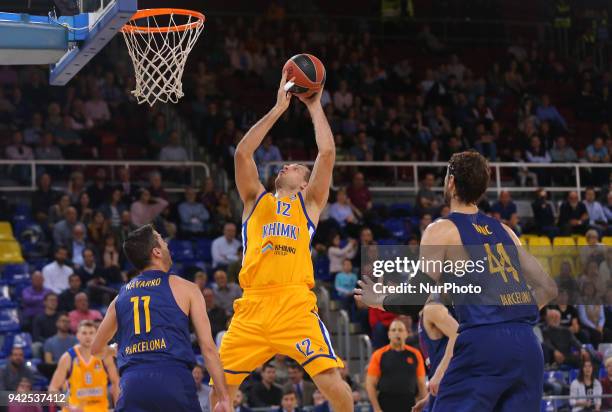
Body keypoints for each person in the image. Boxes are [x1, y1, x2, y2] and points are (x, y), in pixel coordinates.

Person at [356, 151, 557, 411]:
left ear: (451, 182)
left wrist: (377, 299)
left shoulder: (441, 230)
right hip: (528, 346)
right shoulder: (506, 232)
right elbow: (549, 288)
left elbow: (415, 298)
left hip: (484, 342)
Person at [211, 73, 352, 412]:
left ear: (304, 184)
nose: (286, 165)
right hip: (253, 306)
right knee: (220, 390)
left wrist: (315, 106)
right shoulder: (255, 200)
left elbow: (328, 152)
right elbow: (243, 153)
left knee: (333, 383)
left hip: (294, 305)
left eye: (295, 167)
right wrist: (278, 108)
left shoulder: (309, 204)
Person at [91, 224, 231, 411]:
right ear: (156, 252)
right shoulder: (186, 288)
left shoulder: (120, 297)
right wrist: (223, 397)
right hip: (173, 380)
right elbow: (207, 348)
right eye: (162, 240)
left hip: (132, 385)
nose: (166, 244)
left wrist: (114, 349)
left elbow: (95, 349)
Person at [48, 320, 120, 411]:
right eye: (84, 333)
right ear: (77, 335)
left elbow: (116, 382)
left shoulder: (105, 356)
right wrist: (70, 407)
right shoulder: (68, 357)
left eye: (91, 333)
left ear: (96, 335)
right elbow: (53, 388)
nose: (88, 336)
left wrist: (119, 407)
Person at [366, 319, 427, 412]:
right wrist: (376, 408)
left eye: (400, 330)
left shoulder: (415, 354)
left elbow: (421, 384)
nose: (397, 333)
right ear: (389, 334)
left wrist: (422, 405)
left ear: (406, 334)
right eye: (393, 330)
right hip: (385, 404)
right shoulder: (379, 355)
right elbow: (370, 384)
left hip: (409, 404)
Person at [413, 300, 459, 412]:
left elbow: (458, 335)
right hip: (442, 389)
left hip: (452, 386)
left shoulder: (432, 308)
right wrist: (429, 398)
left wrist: (439, 373)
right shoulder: (424, 315)